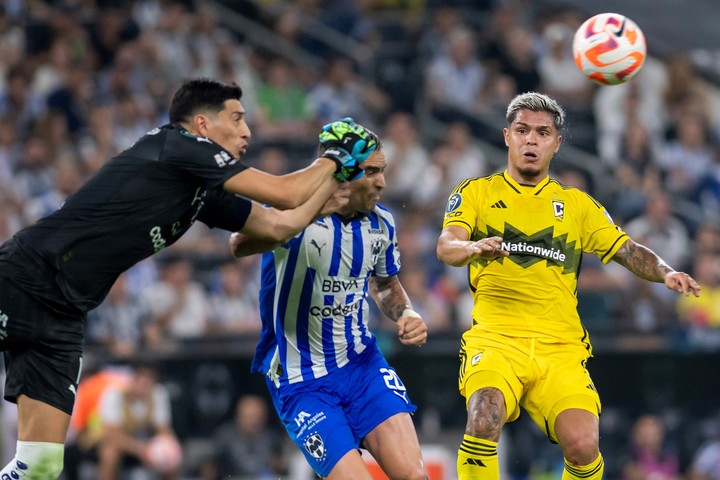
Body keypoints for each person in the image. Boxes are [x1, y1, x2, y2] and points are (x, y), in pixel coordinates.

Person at [0, 77, 377, 479]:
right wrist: (334, 159)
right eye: (236, 119)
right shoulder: (176, 146)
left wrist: (327, 198)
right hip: (25, 278)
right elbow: (283, 193)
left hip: (65, 315)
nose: (247, 131)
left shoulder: (199, 189)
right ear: (201, 125)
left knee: (40, 464)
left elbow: (274, 226)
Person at [435, 91, 701, 480]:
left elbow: (626, 249)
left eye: (542, 133)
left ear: (556, 144)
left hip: (559, 346)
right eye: (522, 130)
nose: (531, 140)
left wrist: (664, 272)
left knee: (582, 446)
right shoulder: (475, 192)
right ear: (507, 135)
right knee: (483, 416)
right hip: (496, 339)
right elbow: (446, 245)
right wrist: (472, 246)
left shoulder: (577, 205)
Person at [230, 133, 429, 479]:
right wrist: (309, 210)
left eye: (382, 171)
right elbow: (238, 243)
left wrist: (406, 312)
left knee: (414, 476)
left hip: (362, 366)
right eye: (370, 172)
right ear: (342, 174)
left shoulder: (382, 223)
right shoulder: (294, 213)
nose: (381, 182)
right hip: (302, 381)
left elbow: (384, 284)